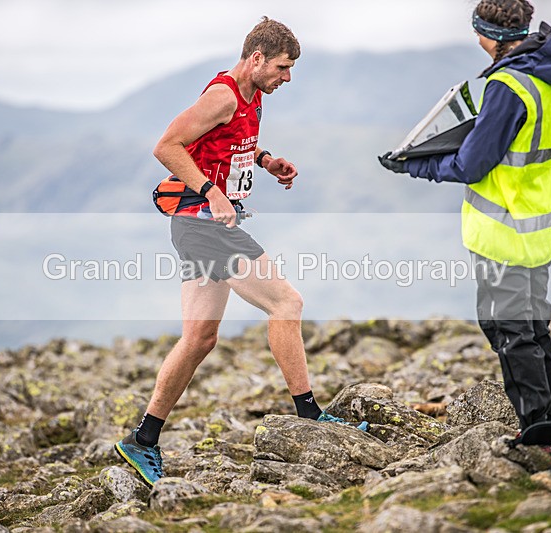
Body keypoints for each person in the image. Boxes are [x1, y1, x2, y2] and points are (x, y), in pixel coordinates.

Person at [116, 17, 366, 488]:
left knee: (199, 339)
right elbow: (166, 146)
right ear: (256, 59)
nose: (287, 77)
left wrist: (266, 161)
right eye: (283, 67)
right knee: (286, 302)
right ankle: (310, 414)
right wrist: (211, 191)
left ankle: (142, 439)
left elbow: (226, 143)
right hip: (205, 225)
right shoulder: (224, 94)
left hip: (199, 227)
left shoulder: (250, 97)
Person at [379, 0, 551, 436]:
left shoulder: (508, 86)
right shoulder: (550, 78)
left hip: (502, 234)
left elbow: (472, 166)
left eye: (477, 31)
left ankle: (541, 432)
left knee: (509, 331)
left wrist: (412, 164)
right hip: (539, 230)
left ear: (488, 34)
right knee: (533, 327)